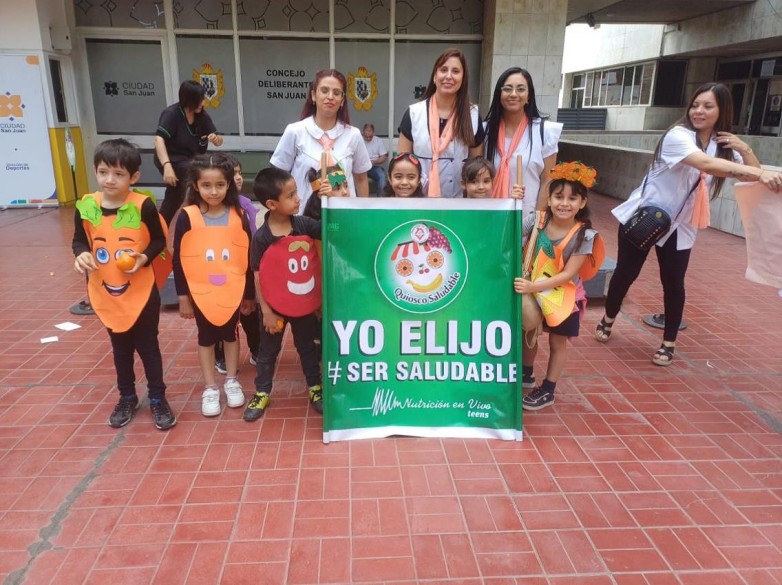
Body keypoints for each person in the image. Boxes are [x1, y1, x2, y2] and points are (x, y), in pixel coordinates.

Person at [595, 82, 782, 366]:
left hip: (680, 225)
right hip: (646, 217)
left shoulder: (721, 146)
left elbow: (749, 176)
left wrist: (744, 148)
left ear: (722, 111)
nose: (698, 111)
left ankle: (668, 342)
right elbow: (705, 165)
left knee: (674, 283)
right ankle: (609, 318)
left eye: (707, 106)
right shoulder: (678, 136)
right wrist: (758, 171)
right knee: (625, 273)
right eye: (695, 105)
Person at [72, 139, 176, 430]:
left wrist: (143, 257)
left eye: (118, 174)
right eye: (104, 172)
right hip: (106, 290)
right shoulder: (86, 206)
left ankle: (158, 398)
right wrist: (80, 253)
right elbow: (79, 239)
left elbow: (158, 240)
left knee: (148, 347)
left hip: (141, 291)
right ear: (95, 171)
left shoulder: (142, 205)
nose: (110, 179)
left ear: (134, 178)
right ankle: (127, 396)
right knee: (120, 348)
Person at [173, 153, 255, 417]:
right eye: (206, 185)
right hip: (200, 290)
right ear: (195, 185)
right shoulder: (188, 216)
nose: (214, 191)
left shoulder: (238, 215)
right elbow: (179, 256)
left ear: (229, 184)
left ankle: (231, 379)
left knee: (231, 334)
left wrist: (249, 294)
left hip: (232, 288)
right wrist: (183, 295)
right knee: (206, 336)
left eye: (220, 184)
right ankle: (210, 387)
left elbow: (247, 256)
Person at [513, 162, 600, 410]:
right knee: (529, 332)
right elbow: (511, 232)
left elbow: (568, 275)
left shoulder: (586, 235)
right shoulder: (537, 220)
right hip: (533, 288)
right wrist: (512, 203)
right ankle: (526, 374)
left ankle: (548, 388)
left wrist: (531, 288)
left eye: (573, 198)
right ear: (548, 199)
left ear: (582, 203)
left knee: (557, 343)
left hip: (564, 296)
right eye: (558, 196)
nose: (565, 203)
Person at [245, 167, 324, 421]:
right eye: (290, 196)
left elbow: (329, 228)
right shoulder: (262, 237)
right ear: (272, 204)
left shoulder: (302, 225)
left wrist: (330, 196)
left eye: (296, 193)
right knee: (268, 351)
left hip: (303, 306)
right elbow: (258, 276)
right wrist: (266, 311)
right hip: (274, 307)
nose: (297, 199)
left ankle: (315, 388)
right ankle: (262, 392)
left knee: (307, 347)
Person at [270, 69, 371, 210]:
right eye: (324, 91)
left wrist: (363, 212)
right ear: (313, 95)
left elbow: (361, 178)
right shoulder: (295, 131)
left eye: (336, 93)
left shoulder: (353, 135)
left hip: (343, 215)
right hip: (303, 217)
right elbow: (279, 177)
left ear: (342, 100)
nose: (330, 97)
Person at [397, 48, 485, 197]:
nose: (448, 76)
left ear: (463, 78)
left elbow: (476, 168)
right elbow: (401, 166)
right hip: (419, 203)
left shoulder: (473, 115)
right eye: (443, 70)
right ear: (434, 76)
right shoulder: (414, 113)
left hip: (458, 203)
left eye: (456, 71)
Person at [484, 67, 562, 216]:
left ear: (529, 96)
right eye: (507, 89)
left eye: (520, 89)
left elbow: (548, 180)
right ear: (499, 95)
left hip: (526, 218)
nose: (513, 94)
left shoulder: (544, 132)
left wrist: (536, 223)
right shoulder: (486, 131)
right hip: (490, 219)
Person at [214, 155, 262, 375]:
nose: (239, 178)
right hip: (221, 271)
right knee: (221, 316)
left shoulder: (244, 204)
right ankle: (220, 355)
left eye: (239, 173)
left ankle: (257, 350)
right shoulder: (208, 211)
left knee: (250, 312)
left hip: (245, 267)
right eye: (233, 174)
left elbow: (252, 235)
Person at [154, 80, 223, 225]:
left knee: (174, 196)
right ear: (189, 100)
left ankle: (160, 227)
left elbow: (219, 140)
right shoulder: (171, 114)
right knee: (196, 180)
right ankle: (199, 218)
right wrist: (167, 166)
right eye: (200, 100)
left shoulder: (202, 116)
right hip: (171, 159)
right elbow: (159, 140)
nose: (203, 103)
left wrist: (216, 139)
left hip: (191, 160)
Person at [362, 123, 388, 195]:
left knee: (382, 176)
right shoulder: (359, 140)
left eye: (370, 137)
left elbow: (383, 157)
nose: (368, 138)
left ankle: (380, 200)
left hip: (373, 166)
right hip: (361, 167)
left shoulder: (378, 141)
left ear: (373, 133)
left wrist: (374, 162)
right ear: (363, 133)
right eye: (366, 137)